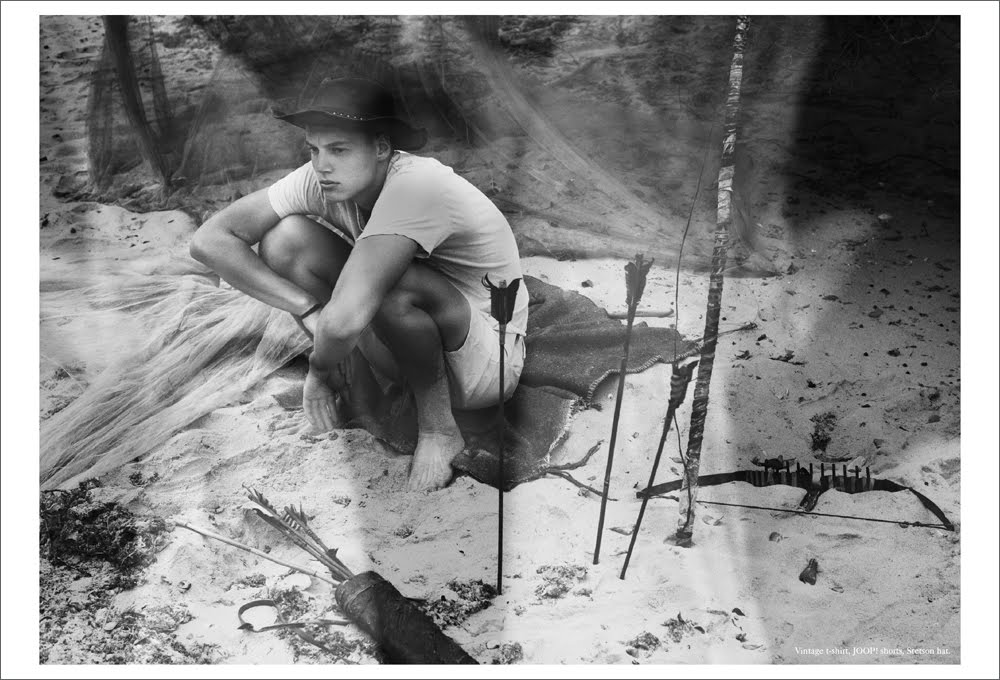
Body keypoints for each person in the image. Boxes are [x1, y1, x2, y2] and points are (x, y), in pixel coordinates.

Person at [190, 77, 528, 492]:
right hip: (408, 349)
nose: (322, 165)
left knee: (388, 282)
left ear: (382, 148)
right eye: (313, 149)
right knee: (284, 241)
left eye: (339, 150)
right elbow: (209, 241)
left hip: (485, 365)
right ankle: (351, 373)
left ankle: (439, 429)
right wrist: (307, 309)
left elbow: (348, 317)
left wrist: (318, 369)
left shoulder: (416, 188)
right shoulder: (324, 179)